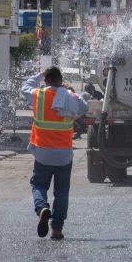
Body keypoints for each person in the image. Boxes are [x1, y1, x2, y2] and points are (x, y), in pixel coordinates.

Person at [21, 66, 89, 240]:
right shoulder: (69, 97)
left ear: (46, 80)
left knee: (39, 185)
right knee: (61, 192)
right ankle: (57, 229)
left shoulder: (37, 95)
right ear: (61, 80)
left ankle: (42, 208)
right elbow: (84, 107)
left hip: (42, 152)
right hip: (64, 154)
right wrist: (72, 91)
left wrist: (39, 75)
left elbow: (25, 86)